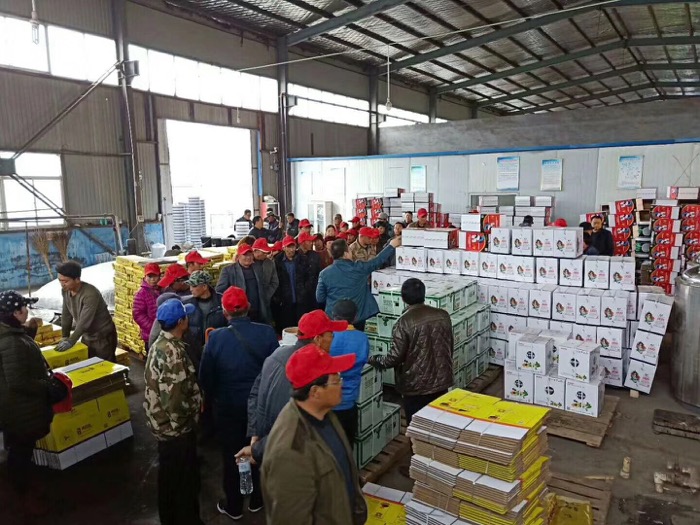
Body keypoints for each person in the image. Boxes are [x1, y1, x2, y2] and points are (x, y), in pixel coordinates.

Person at [261, 344, 367, 525]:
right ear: (315, 392)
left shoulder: (324, 413)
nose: (342, 385)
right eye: (336, 381)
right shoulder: (291, 452)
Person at [199, 287, 279, 521]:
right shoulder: (266, 333)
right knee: (258, 451)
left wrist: (216, 398)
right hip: (259, 409)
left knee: (232, 455)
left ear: (225, 312)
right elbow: (274, 371)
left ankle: (234, 505)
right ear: (249, 308)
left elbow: (206, 377)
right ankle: (257, 499)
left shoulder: (216, 339)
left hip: (228, 409)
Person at [238, 310, 347, 465]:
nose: (333, 339)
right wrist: (258, 450)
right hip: (286, 451)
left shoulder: (276, 354)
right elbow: (293, 427)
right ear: (318, 339)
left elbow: (254, 394)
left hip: (267, 442)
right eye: (331, 335)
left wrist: (255, 436)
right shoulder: (309, 373)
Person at [144, 299, 204, 525]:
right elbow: (175, 400)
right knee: (183, 482)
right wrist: (185, 426)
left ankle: (169, 518)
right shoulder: (172, 353)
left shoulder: (160, 343)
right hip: (176, 431)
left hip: (164, 426)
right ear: (181, 322)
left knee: (168, 478)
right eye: (186, 316)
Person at [368, 278, 453, 426]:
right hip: (441, 381)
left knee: (416, 427)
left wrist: (374, 359)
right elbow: (449, 346)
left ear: (403, 298)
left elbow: (394, 357)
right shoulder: (443, 315)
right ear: (424, 294)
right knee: (439, 425)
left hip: (415, 386)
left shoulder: (404, 322)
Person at [0, 291, 53, 516]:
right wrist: (47, 386)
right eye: (24, 307)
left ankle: (24, 487)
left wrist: (27, 334)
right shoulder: (10, 341)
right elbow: (18, 381)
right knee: (20, 452)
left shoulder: (11, 333)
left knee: (20, 449)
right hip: (19, 408)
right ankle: (23, 497)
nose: (27, 311)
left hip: (15, 406)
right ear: (15, 312)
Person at [317, 236, 401, 331]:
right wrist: (391, 246)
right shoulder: (359, 268)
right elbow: (376, 262)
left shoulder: (324, 273)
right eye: (349, 250)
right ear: (345, 254)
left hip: (334, 318)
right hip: (357, 318)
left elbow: (320, 298)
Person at [55, 261, 117, 362]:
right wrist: (65, 336)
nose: (62, 284)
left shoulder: (90, 294)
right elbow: (66, 314)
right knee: (88, 363)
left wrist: (71, 341)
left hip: (102, 336)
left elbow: (84, 322)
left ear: (77, 279)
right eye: (60, 281)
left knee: (105, 365)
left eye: (65, 281)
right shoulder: (65, 291)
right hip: (87, 335)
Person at [329, 300, 369, 444]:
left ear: (333, 316)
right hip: (349, 402)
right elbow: (363, 362)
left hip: (326, 403)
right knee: (347, 445)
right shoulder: (362, 338)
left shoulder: (327, 337)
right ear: (355, 317)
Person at [216, 244, 273, 324]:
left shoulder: (258, 268)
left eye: (250, 255)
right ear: (239, 256)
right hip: (239, 313)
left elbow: (264, 286)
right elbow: (219, 291)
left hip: (258, 311)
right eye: (245, 255)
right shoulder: (228, 270)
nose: (248, 257)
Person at [184, 271, 226, 371]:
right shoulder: (187, 305)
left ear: (204, 286)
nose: (190, 289)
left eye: (194, 286)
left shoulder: (222, 301)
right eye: (190, 285)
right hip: (195, 354)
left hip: (218, 352)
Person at [272, 236, 303, 331]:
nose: (291, 250)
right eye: (288, 247)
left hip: (300, 299)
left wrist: (304, 291)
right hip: (284, 301)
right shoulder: (277, 261)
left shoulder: (302, 260)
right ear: (284, 248)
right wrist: (278, 298)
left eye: (293, 247)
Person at [133, 263, 162, 353]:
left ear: (159, 276)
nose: (152, 279)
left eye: (155, 276)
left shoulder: (163, 290)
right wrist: (153, 327)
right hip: (150, 335)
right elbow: (138, 315)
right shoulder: (141, 294)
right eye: (150, 276)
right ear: (145, 277)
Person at [297, 231, 322, 314]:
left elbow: (319, 274)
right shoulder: (295, 257)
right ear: (302, 243)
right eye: (309, 241)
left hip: (313, 295)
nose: (311, 243)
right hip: (299, 297)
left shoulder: (315, 256)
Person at [252, 238, 280, 310]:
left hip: (266, 301)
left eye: (267, 252)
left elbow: (275, 282)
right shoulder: (248, 263)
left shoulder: (270, 263)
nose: (266, 255)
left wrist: (267, 296)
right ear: (255, 251)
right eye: (264, 252)